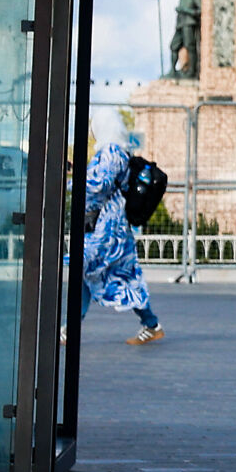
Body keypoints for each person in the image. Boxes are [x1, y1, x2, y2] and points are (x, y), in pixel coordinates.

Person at [81, 129, 163, 345]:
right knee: (124, 276)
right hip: (112, 226)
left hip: (107, 228)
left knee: (87, 269)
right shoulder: (116, 150)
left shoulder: (112, 151)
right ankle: (151, 323)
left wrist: (70, 183)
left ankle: (70, 328)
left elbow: (100, 184)